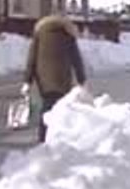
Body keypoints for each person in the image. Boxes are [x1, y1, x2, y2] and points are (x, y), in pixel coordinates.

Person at [23, 14, 87, 143]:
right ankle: (57, 138)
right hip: (62, 78)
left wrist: (27, 81)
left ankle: (43, 138)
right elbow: (76, 58)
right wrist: (81, 79)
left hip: (43, 78)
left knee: (46, 106)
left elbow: (32, 58)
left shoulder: (39, 34)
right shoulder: (67, 34)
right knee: (60, 107)